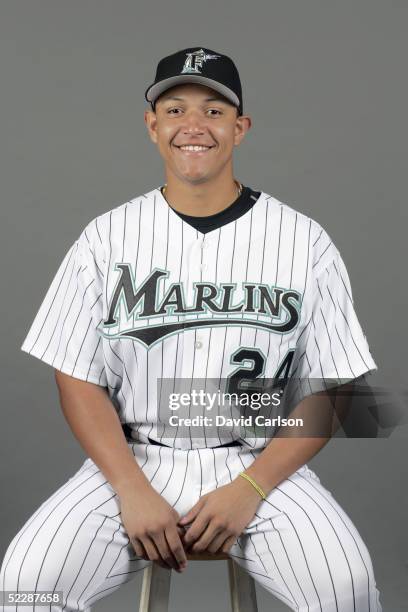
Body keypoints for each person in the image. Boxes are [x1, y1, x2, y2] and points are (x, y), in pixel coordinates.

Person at [0, 47, 382, 611]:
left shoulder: (303, 240)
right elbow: (76, 376)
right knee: (25, 585)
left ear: (240, 127)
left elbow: (336, 390)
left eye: (214, 110)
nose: (194, 126)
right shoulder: (106, 238)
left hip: (258, 465)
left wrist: (249, 490)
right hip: (133, 460)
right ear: (153, 126)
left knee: (346, 590)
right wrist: (130, 488)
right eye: (175, 110)